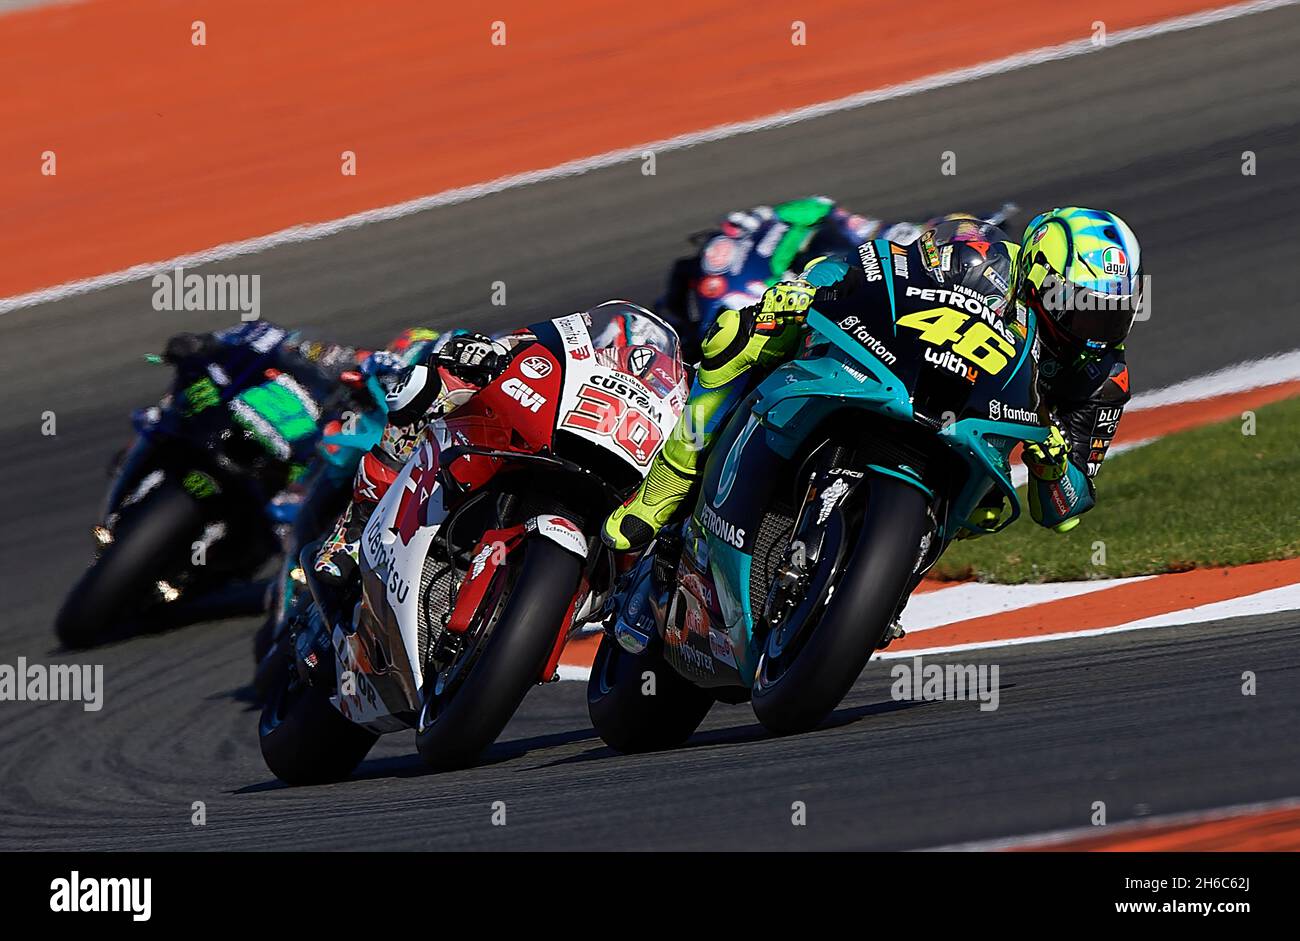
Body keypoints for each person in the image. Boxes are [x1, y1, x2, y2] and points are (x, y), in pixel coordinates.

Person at [603, 207, 1142, 550]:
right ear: (1038, 278)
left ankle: (871, 581)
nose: (1098, 330)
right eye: (1084, 309)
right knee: (741, 334)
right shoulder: (981, 254)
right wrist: (807, 292)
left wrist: (1052, 466)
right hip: (897, 373)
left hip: (971, 455)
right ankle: (664, 486)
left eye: (1113, 314)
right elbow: (873, 263)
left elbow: (1065, 512)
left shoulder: (1103, 378)